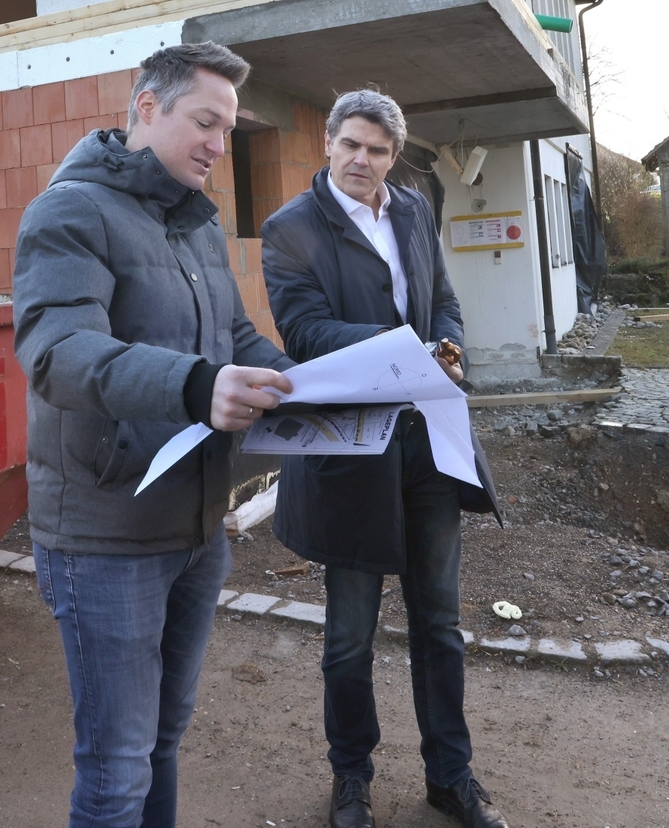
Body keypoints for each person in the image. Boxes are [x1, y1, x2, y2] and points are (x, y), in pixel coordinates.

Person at [14, 42, 296, 828]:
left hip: (198, 528)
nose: (219, 143)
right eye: (206, 121)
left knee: (163, 741)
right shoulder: (70, 212)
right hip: (105, 538)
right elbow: (59, 355)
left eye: (228, 129)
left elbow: (238, 339)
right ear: (146, 108)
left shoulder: (197, 225)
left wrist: (313, 388)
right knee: (115, 772)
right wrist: (195, 388)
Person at [260, 89, 508, 828]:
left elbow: (444, 301)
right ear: (329, 142)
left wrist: (451, 349)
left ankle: (451, 776)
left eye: (379, 150)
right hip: (352, 452)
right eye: (353, 145)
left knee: (439, 624)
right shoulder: (290, 229)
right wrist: (404, 351)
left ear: (395, 157)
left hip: (427, 440)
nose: (363, 160)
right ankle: (351, 779)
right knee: (348, 638)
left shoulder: (413, 210)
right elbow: (304, 332)